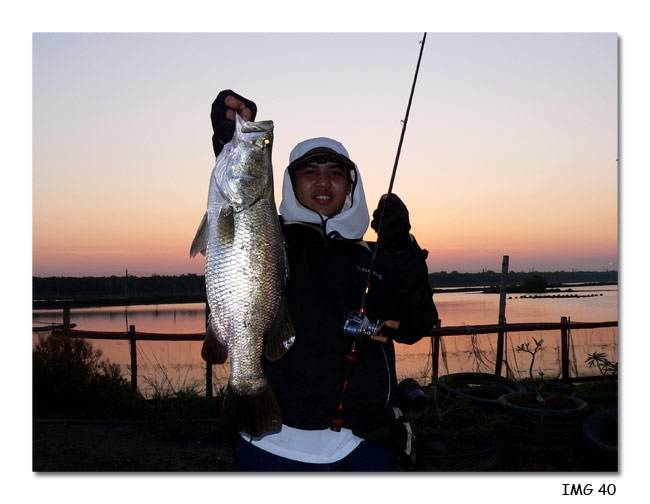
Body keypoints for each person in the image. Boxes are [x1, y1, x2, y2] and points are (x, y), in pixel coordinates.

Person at [207, 89, 438, 471]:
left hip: (362, 443)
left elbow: (416, 326)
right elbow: (243, 211)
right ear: (289, 182)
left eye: (335, 173)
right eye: (309, 172)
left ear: (351, 185)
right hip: (271, 442)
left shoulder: (375, 257)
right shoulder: (274, 241)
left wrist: (400, 249)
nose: (322, 183)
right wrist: (230, 143)